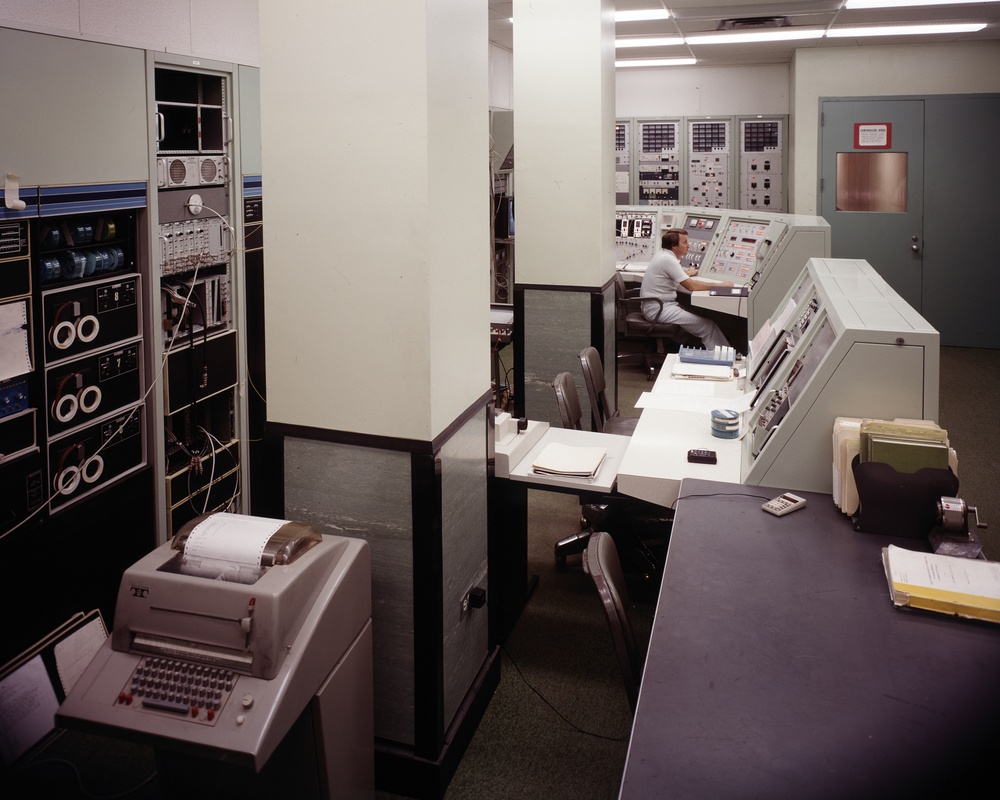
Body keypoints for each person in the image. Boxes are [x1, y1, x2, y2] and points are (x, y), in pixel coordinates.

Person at [639, 228, 734, 350]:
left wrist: (687, 273)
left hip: (658, 306)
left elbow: (674, 275)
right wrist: (721, 285)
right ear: (674, 246)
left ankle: (692, 350)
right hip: (659, 309)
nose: (688, 246)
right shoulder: (668, 260)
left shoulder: (663, 255)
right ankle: (726, 360)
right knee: (708, 326)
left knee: (696, 315)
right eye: (684, 242)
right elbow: (691, 286)